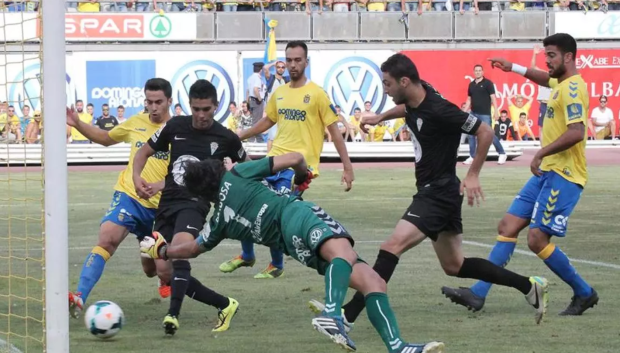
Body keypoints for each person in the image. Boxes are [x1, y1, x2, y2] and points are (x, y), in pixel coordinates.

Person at [308, 53, 549, 329]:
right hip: (439, 192)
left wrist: (472, 174)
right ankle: (529, 286)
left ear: (405, 81)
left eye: (387, 84)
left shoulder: (440, 109)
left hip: (437, 193)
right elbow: (408, 110)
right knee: (455, 265)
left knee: (391, 247)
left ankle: (347, 316)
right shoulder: (417, 97)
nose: (384, 90)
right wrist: (380, 118)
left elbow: (485, 132)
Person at [139, 153, 446, 353]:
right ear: (217, 170)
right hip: (295, 216)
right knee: (344, 253)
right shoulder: (238, 174)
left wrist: (163, 249)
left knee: (373, 281)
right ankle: (331, 314)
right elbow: (294, 158)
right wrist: (302, 174)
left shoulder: (218, 222)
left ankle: (397, 347)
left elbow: (191, 248)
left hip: (294, 247)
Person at [442, 33, 598, 316]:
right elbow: (543, 78)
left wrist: (540, 153)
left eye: (551, 55)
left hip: (564, 174)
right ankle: (478, 294)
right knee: (508, 226)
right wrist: (511, 67)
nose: (547, 60)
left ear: (569, 57)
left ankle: (584, 293)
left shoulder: (574, 88)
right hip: (546, 173)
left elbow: (577, 132)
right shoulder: (561, 83)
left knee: (537, 240)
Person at [219, 41, 355, 279]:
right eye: (289, 60)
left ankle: (276, 264)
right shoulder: (279, 93)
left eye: (297, 60)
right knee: (239, 195)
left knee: (273, 211)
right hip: (273, 160)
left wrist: (347, 167)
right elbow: (267, 121)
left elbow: (334, 132)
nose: (292, 65)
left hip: (299, 168)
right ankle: (247, 255)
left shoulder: (317, 94)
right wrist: (240, 134)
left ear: (306, 62)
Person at [132, 79, 247, 335]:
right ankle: (224, 303)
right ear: (189, 106)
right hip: (167, 203)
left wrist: (235, 179)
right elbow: (143, 153)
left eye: (206, 109)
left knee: (179, 251)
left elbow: (247, 166)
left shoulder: (226, 137)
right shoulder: (175, 126)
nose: (201, 115)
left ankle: (172, 315)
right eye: (196, 109)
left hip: (195, 204)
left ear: (216, 107)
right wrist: (137, 178)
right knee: (155, 268)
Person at [66, 78, 174, 319]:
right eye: (149, 102)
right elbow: (105, 138)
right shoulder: (136, 122)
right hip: (129, 196)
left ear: (169, 101)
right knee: (107, 239)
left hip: (161, 208)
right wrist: (77, 123)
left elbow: (185, 174)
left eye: (158, 102)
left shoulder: (179, 130)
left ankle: (162, 275)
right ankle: (79, 296)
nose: (153, 107)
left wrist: (160, 187)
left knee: (154, 270)